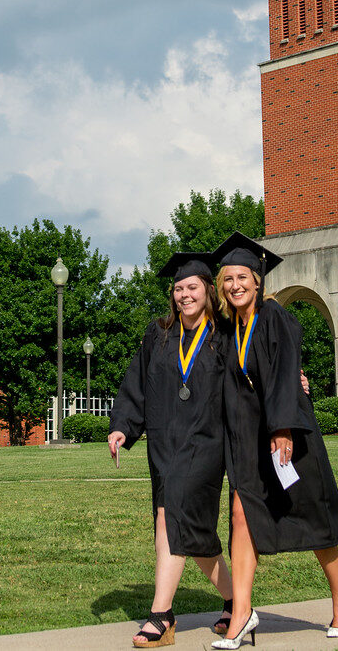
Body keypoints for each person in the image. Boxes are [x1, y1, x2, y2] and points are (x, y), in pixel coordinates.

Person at [209, 232, 338, 649]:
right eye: (227, 279)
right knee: (241, 514)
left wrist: (284, 427)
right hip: (247, 443)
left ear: (258, 281)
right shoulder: (227, 327)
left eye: (242, 278)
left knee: (310, 518)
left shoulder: (275, 317)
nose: (235, 285)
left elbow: (288, 369)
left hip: (288, 438)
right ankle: (241, 615)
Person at [108, 251, 235, 648]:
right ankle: (236, 601)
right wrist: (122, 428)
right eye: (178, 288)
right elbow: (137, 386)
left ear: (208, 291)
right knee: (192, 532)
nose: (184, 294)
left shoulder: (225, 336)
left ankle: (161, 616)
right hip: (165, 444)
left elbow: (256, 375)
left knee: (170, 517)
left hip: (206, 443)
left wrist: (292, 381)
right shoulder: (159, 334)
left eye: (192, 287)